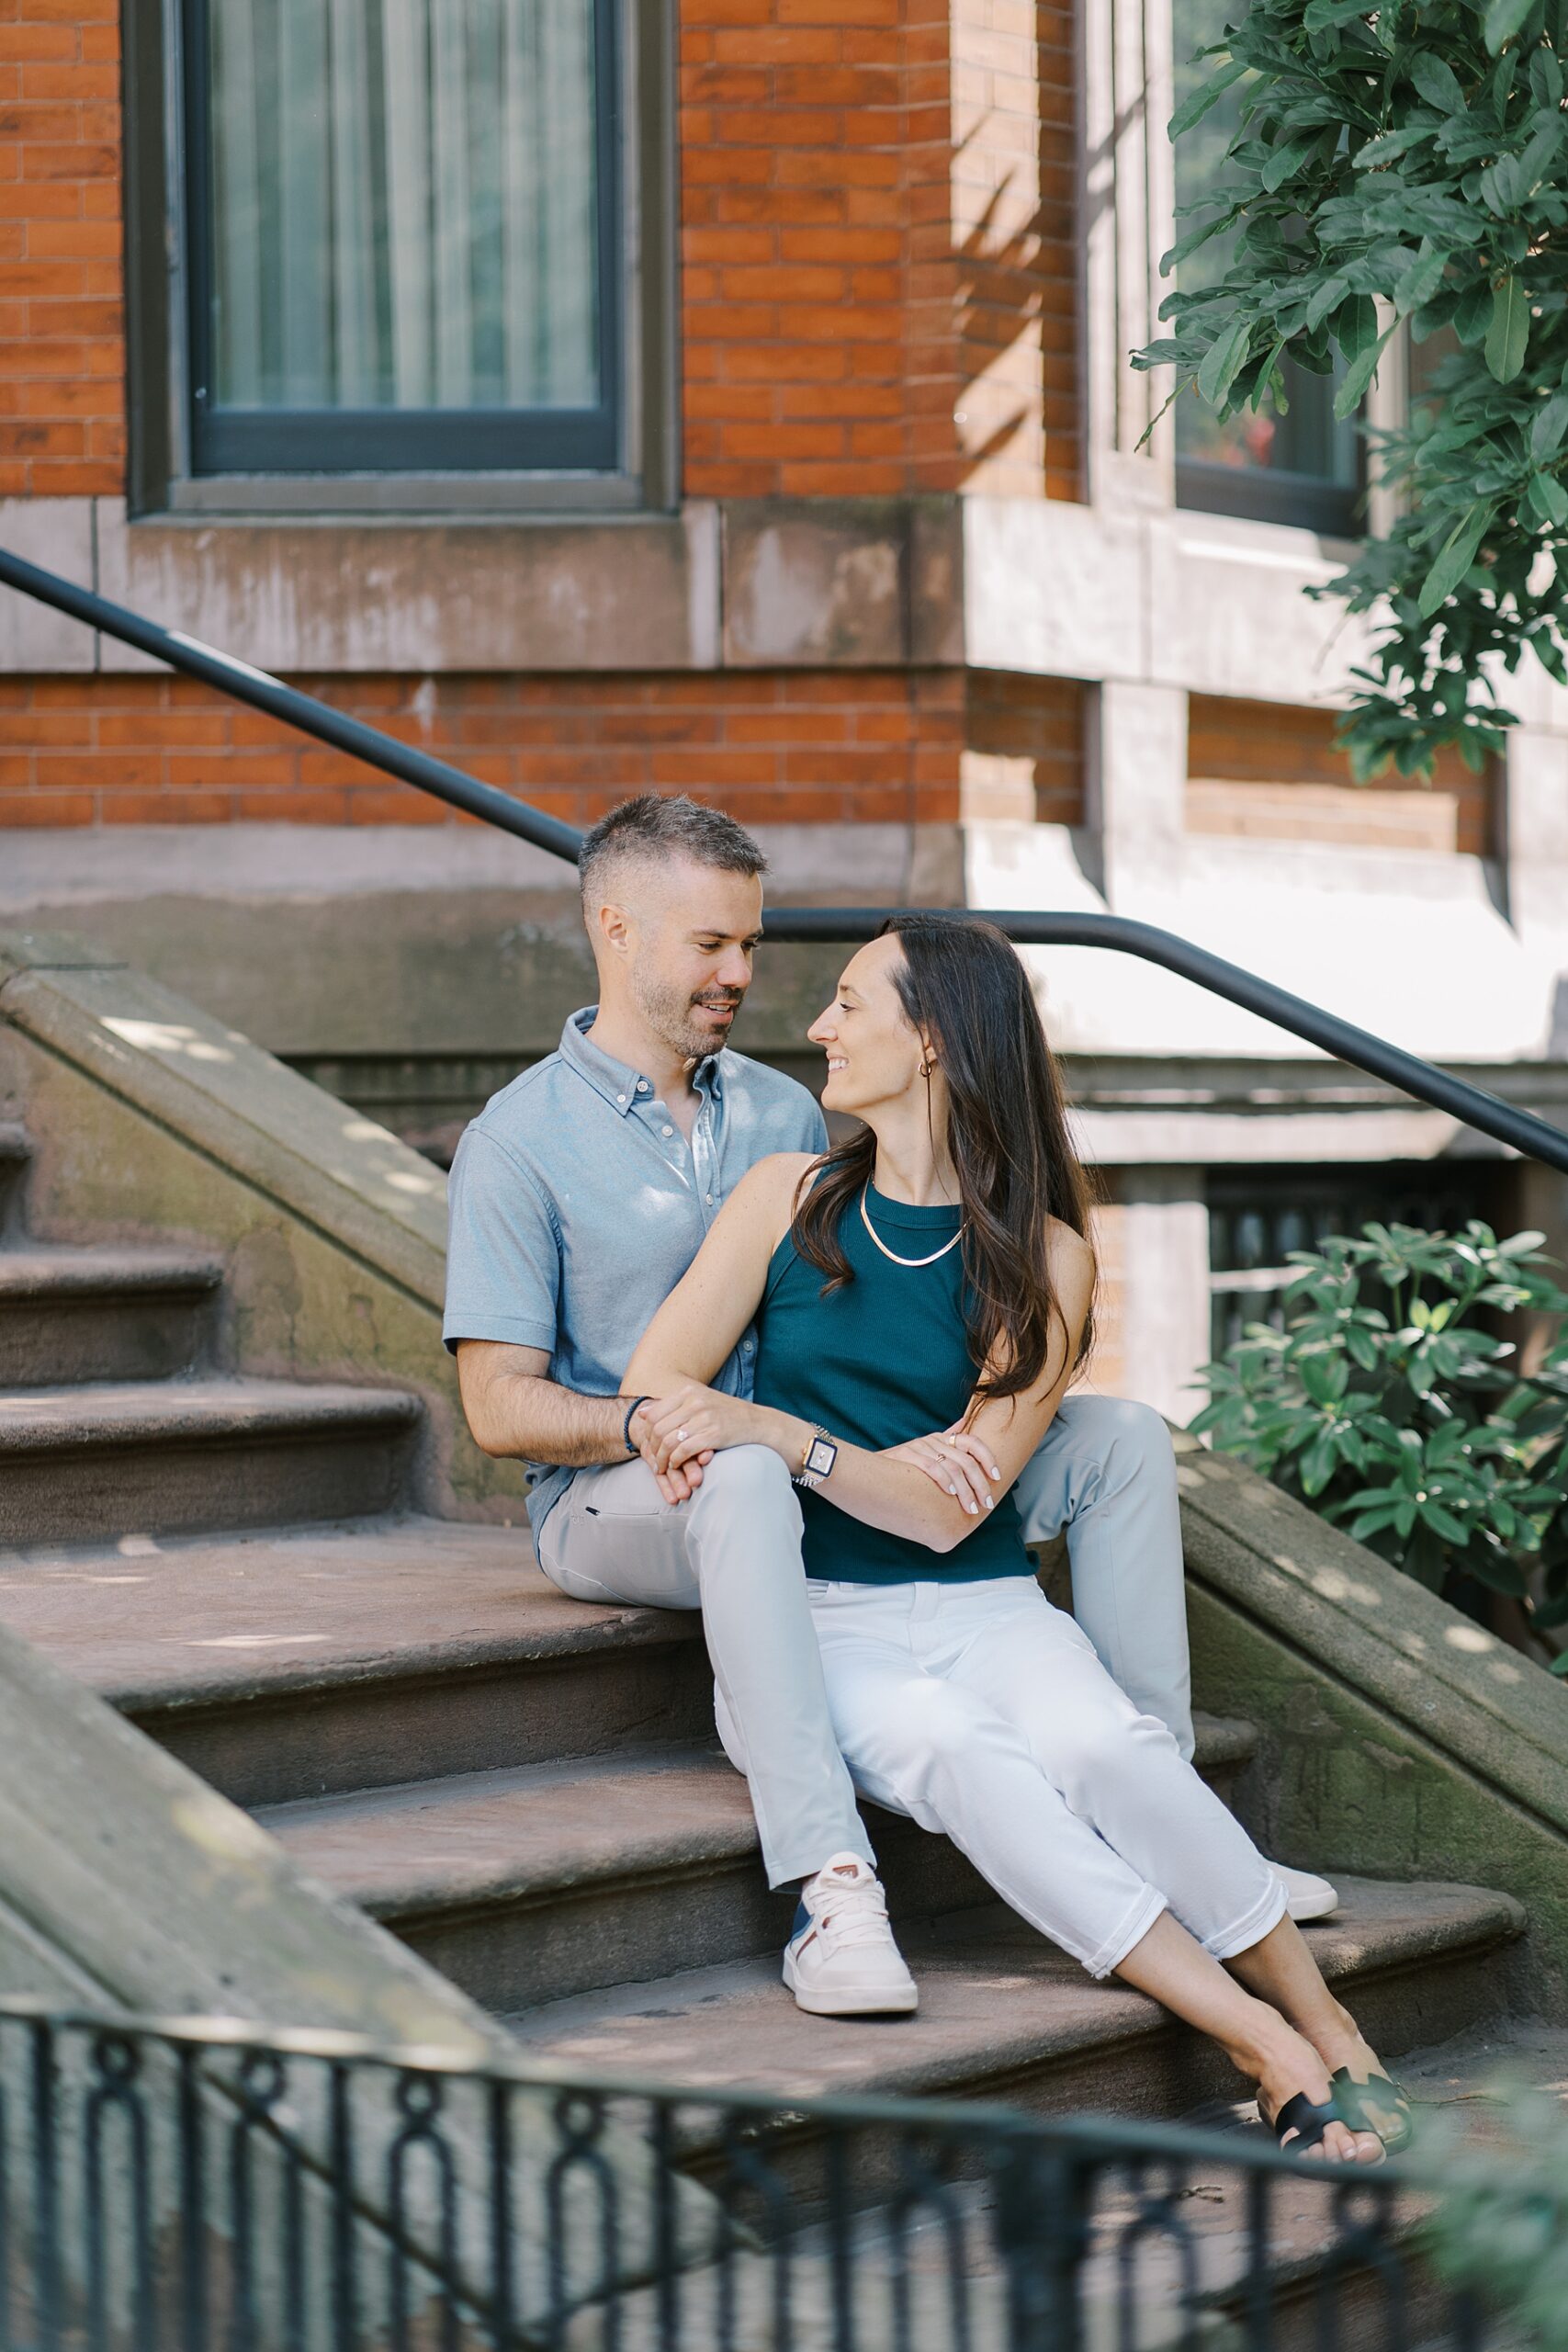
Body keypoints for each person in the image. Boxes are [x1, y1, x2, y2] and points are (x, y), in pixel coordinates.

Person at [443, 792, 1333, 2020]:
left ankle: (1164, 1814)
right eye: (713, 946)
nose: (744, 975)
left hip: (813, 1461)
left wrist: (923, 1438)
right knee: (752, 1476)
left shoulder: (780, 1109)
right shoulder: (520, 1141)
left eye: (753, 945)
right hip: (631, 1487)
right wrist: (670, 1424)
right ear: (615, 928)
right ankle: (826, 1878)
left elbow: (859, 1292)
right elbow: (496, 1408)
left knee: (1119, 1438)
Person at [622, 914, 1411, 2160]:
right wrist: (788, 1445)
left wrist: (787, 1438)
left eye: (845, 1004)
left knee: (1110, 1747)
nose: (817, 1026)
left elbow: (952, 1509)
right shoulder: (784, 1201)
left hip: (988, 1606)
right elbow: (662, 1384)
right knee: (964, 1759)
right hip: (822, 1619)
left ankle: (1331, 2018)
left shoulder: (1046, 1256)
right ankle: (1265, 2048)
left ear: (932, 1040)